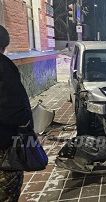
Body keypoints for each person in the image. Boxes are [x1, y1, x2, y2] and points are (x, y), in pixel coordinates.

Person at [0, 25, 33, 201]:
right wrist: (26, 124)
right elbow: (13, 108)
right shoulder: (4, 68)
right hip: (5, 146)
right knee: (8, 190)